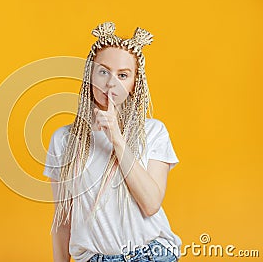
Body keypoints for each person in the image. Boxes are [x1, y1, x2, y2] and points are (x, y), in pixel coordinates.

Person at [43, 21, 181, 262]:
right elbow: (63, 221)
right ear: (90, 75)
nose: (111, 83)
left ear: (134, 84)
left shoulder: (154, 131)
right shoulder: (64, 139)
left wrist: (116, 137)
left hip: (151, 254)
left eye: (123, 75)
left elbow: (150, 203)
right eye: (103, 71)